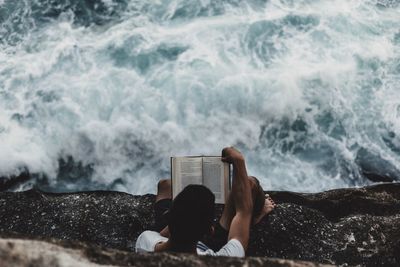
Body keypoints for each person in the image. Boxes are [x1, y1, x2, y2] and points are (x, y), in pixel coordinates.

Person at [135, 147, 276, 257]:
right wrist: (238, 160)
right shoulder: (221, 260)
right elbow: (243, 212)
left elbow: (162, 235)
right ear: (210, 230)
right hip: (205, 241)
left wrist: (180, 215)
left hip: (169, 235)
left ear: (169, 217)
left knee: (165, 185)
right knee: (251, 185)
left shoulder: (145, 241)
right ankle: (256, 218)